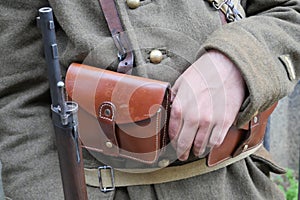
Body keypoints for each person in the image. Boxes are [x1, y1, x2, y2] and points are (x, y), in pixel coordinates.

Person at [0, 0, 299, 199]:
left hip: (234, 184)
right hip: (101, 187)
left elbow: (289, 9)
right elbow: (20, 94)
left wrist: (237, 60)